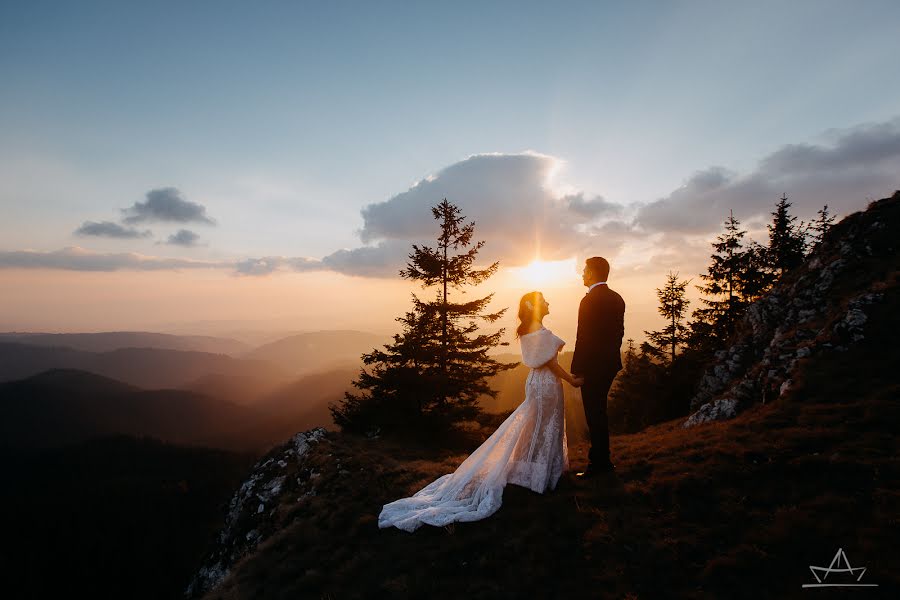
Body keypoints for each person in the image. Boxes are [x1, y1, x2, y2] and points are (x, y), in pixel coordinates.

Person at [378, 291, 583, 532]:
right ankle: (541, 474)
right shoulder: (540, 331)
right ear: (537, 306)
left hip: (537, 383)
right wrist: (571, 380)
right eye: (545, 301)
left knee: (539, 425)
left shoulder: (530, 328)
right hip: (546, 384)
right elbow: (550, 363)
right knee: (544, 425)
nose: (549, 303)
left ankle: (536, 471)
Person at [571, 256, 625, 478]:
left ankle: (599, 464)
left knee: (595, 414)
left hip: (593, 367)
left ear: (592, 273)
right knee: (600, 412)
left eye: (584, 270)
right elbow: (619, 334)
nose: (582, 274)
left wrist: (577, 368)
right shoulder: (617, 298)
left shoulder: (589, 300)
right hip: (610, 364)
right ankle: (602, 460)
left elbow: (583, 337)